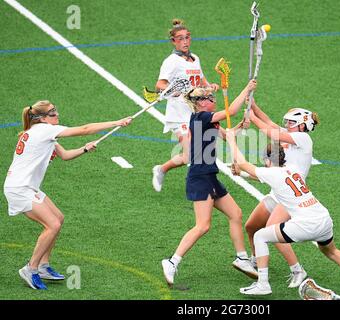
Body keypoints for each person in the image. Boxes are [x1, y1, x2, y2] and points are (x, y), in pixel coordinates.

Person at [225, 130, 340, 295]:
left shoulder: (271, 173)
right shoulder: (292, 169)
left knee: (260, 236)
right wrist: (242, 173)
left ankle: (263, 284)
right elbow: (263, 176)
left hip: (306, 223)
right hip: (323, 219)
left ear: (267, 160)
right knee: (330, 251)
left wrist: (232, 140)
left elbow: (242, 162)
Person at [3, 100, 132, 290]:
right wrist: (116, 122)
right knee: (52, 225)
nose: (57, 115)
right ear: (42, 118)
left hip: (26, 186)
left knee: (58, 218)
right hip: (19, 188)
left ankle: (43, 266)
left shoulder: (39, 132)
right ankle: (31, 268)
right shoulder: (43, 130)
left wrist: (85, 149)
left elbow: (65, 155)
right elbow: (86, 129)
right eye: (53, 113)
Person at [161, 80, 258, 286]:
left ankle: (241, 258)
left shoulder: (209, 120)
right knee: (203, 225)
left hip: (210, 175)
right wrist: (246, 89)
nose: (213, 99)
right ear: (201, 103)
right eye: (209, 98)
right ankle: (171, 261)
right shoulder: (201, 117)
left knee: (236, 214)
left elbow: (225, 135)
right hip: (200, 177)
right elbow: (230, 110)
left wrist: (241, 126)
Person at [236, 102, 320, 288]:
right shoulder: (291, 134)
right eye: (287, 122)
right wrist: (253, 105)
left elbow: (271, 132)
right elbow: (269, 122)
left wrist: (251, 117)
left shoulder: (303, 138)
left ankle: (297, 270)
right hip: (278, 191)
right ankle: (257, 260)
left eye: (292, 122)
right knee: (251, 227)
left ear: (302, 125)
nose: (287, 124)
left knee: (271, 230)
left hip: (291, 196)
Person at [152, 18, 219, 192]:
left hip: (195, 113)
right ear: (173, 41)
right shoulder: (171, 61)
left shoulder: (195, 58)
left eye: (187, 37)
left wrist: (210, 86)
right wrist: (177, 92)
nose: (185, 41)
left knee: (196, 153)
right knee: (191, 153)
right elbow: (159, 85)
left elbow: (201, 80)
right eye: (180, 38)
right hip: (179, 114)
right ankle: (165, 171)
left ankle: (163, 169)